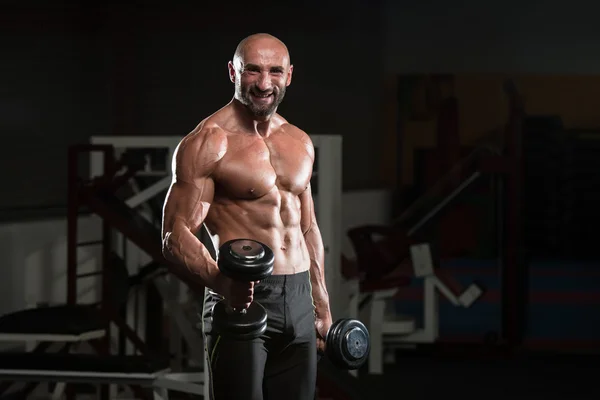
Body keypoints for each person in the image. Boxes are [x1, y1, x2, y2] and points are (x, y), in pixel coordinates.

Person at [161, 33, 332, 400]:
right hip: (243, 295)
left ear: (289, 75)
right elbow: (175, 235)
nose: (264, 83)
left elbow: (308, 226)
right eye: (252, 70)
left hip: (300, 296)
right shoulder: (208, 142)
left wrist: (321, 302)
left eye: (274, 71)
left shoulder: (299, 141)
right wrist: (223, 284)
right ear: (232, 72)